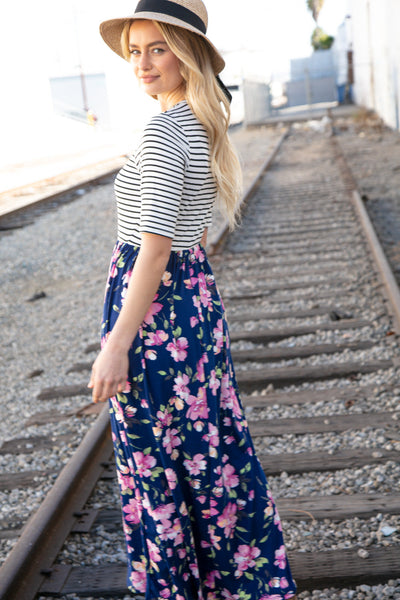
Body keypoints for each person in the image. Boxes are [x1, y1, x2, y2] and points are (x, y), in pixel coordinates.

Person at [89, 1, 297, 598]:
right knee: (208, 455)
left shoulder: (164, 130)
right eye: (136, 50)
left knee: (161, 470)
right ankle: (238, 581)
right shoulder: (200, 123)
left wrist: (116, 346)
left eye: (158, 48)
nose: (144, 63)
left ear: (188, 54)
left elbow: (153, 252)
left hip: (157, 328)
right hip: (192, 311)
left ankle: (180, 588)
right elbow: (192, 236)